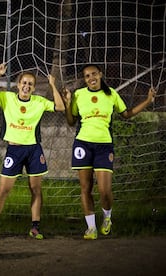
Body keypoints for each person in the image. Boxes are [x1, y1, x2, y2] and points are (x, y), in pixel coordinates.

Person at [62, 64, 156, 240]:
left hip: (104, 146)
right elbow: (70, 121)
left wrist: (148, 100)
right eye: (87, 76)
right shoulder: (79, 95)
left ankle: (107, 219)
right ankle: (91, 228)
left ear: (100, 75)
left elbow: (126, 114)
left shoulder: (111, 93)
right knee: (85, 188)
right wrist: (68, 104)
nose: (91, 78)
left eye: (94, 74)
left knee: (104, 190)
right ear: (85, 79)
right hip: (83, 144)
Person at [0, 64, 65, 239]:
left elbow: (60, 107)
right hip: (14, 150)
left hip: (34, 150)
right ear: (18, 84)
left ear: (34, 88)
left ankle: (35, 227)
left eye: (30, 84)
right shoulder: (7, 98)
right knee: (4, 189)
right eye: (24, 83)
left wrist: (52, 85)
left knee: (35, 189)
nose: (27, 86)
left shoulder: (39, 102)